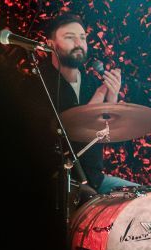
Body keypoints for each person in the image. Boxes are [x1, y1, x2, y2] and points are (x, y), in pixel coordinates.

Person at [38, 14, 138, 196]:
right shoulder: (39, 83)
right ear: (50, 44)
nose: (79, 43)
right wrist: (101, 93)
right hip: (60, 184)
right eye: (70, 37)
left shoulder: (91, 82)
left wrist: (112, 97)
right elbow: (70, 132)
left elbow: (110, 138)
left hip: (97, 180)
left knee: (145, 199)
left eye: (83, 38)